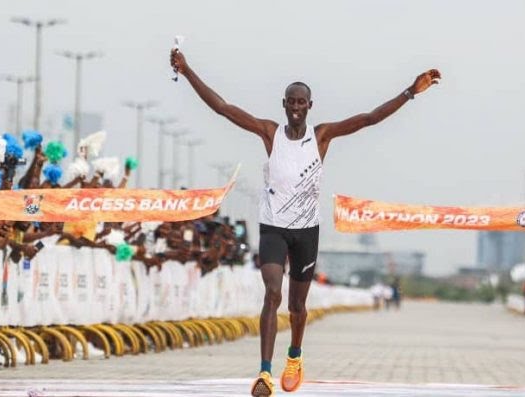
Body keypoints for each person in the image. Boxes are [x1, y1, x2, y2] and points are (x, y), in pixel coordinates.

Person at [170, 48, 440, 397]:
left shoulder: (322, 136)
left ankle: (294, 355)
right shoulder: (270, 134)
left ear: (310, 106)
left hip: (306, 232)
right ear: (284, 104)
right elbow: (223, 108)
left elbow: (370, 118)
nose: (296, 106)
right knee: (272, 293)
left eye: (302, 102)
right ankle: (264, 374)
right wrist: (188, 69)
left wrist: (409, 92)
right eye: (291, 101)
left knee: (297, 306)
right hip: (273, 227)